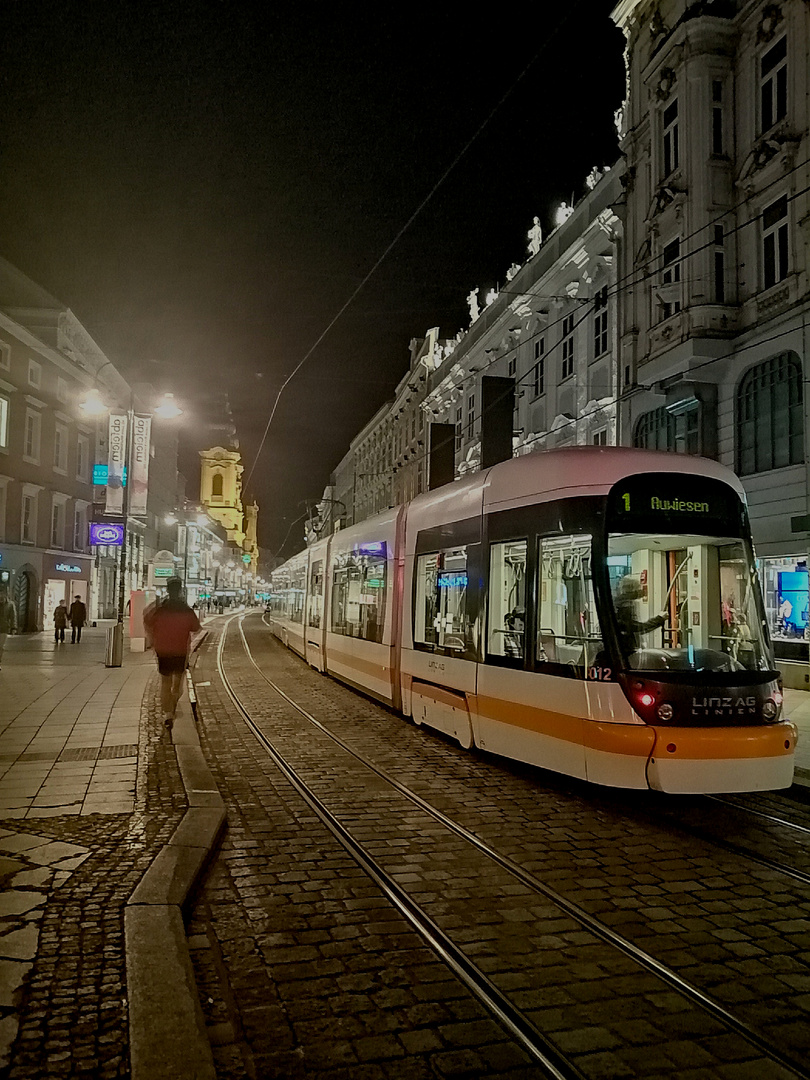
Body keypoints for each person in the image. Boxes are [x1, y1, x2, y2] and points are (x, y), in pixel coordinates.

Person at [143, 578, 201, 730]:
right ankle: (173, 708)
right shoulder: (186, 609)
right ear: (181, 590)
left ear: (168, 590)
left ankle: (167, 713)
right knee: (177, 685)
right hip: (180, 651)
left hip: (162, 651)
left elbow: (147, 619)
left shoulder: (159, 608)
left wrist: (152, 639)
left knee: (165, 682)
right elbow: (196, 628)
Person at [614, 575, 666, 658]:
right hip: (626, 651)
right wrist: (659, 619)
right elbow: (636, 628)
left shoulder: (621, 605)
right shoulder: (620, 608)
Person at [0, 588, 15, 668]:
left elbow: (13, 617)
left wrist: (13, 628)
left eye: (3, 594)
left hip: (4, 628)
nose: (1, 596)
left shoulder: (10, 604)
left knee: (1, 647)